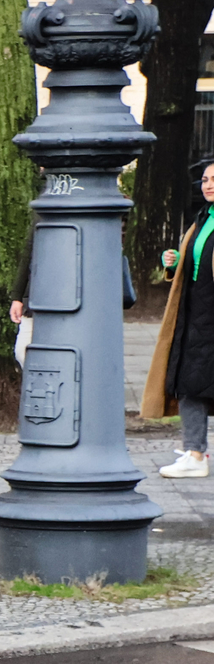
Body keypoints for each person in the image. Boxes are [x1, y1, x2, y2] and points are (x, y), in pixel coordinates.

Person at [140, 156, 214, 477]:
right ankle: (195, 453)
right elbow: (194, 264)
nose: (208, 185)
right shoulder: (202, 218)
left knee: (195, 380)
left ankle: (195, 453)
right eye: (206, 180)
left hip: (208, 311)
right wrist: (173, 261)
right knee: (188, 380)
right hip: (195, 310)